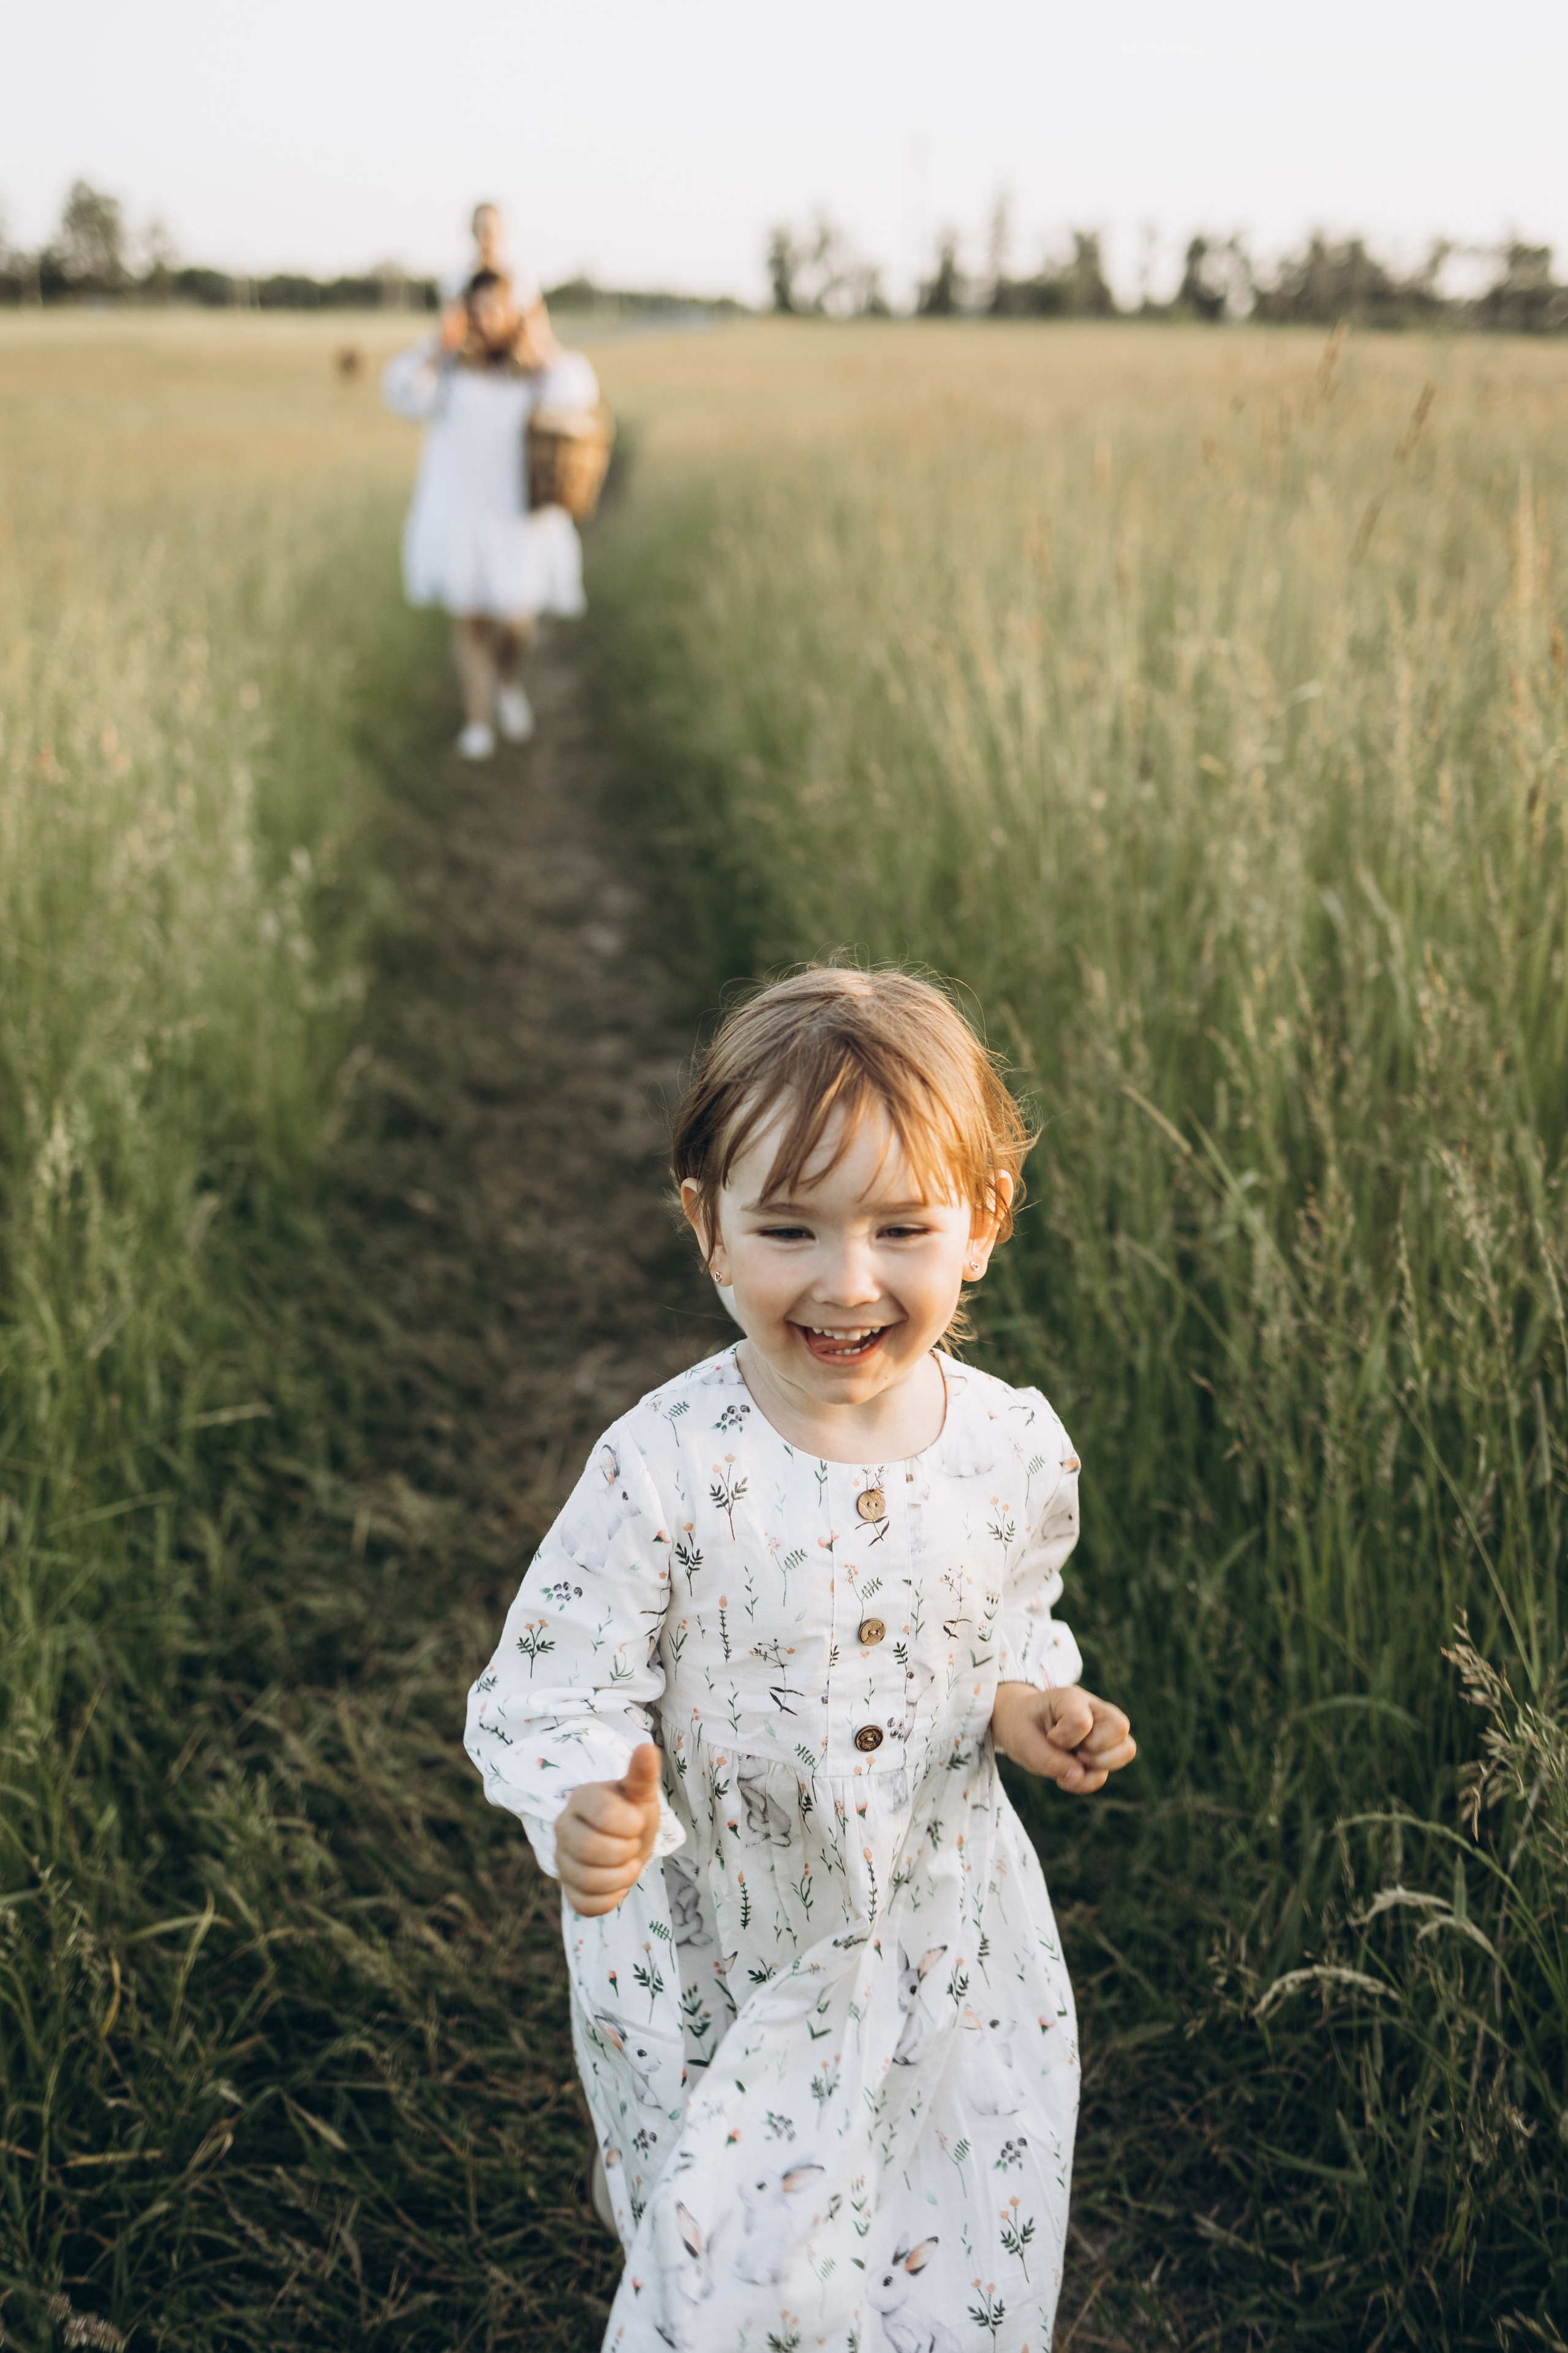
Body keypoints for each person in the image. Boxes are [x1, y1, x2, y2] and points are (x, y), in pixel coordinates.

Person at [464, 965, 1136, 2351]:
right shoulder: (665, 1466)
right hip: (721, 1933)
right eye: (787, 1227)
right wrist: (591, 1800)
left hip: (943, 1929)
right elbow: (555, 1675)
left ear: (982, 1225)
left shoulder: (1008, 1443)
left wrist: (1026, 1705)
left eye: (900, 1225)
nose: (844, 1279)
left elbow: (1002, 1620)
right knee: (739, 2248)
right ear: (707, 1230)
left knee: (946, 2203)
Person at [382, 266, 599, 758]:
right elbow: (401, 393)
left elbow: (578, 393)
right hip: (460, 511)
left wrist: (539, 339)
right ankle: (477, 722)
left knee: (517, 622)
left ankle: (507, 681)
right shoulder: (449, 370)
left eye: (494, 307)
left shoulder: (535, 370)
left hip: (518, 516)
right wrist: (439, 346)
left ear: (514, 312)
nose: (484, 318)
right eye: (474, 307)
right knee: (471, 621)